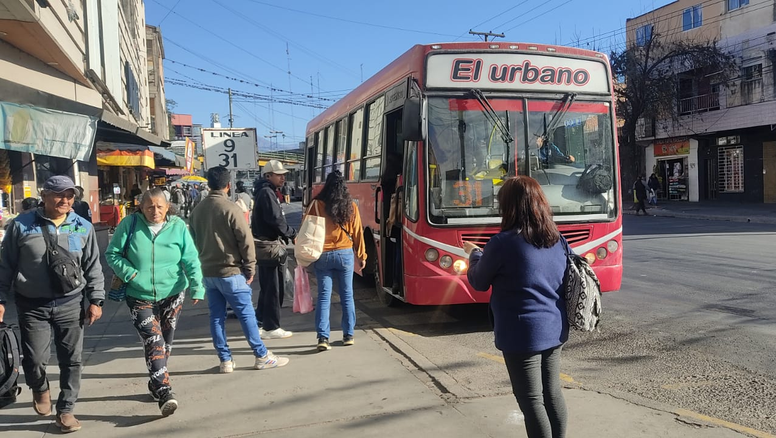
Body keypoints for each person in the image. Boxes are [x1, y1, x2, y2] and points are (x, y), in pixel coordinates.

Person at [464, 175, 568, 438]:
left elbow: (478, 281)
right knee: (552, 392)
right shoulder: (556, 239)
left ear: (509, 207)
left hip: (522, 333)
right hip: (555, 327)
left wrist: (474, 254)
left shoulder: (502, 243)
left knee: (531, 399)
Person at [0, 175, 105, 433]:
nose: (65, 200)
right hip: (32, 306)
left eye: (70, 195)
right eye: (59, 194)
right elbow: (5, 266)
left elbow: (93, 266)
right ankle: (40, 387)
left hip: (71, 304)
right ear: (44, 195)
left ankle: (66, 410)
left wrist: (96, 299)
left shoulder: (82, 226)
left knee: (72, 360)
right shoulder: (21, 226)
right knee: (34, 359)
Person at [105, 188, 204, 417]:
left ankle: (155, 380)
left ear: (168, 207)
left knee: (165, 342)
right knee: (153, 339)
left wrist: (197, 286)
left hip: (173, 293)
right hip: (139, 295)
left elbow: (190, 258)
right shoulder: (129, 224)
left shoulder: (178, 226)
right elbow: (112, 254)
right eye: (149, 206)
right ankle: (163, 391)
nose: (155, 211)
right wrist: (129, 273)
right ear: (141, 207)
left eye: (160, 206)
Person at [190, 167, 289, 372]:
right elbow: (246, 242)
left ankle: (225, 360)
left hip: (208, 272)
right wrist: (250, 269)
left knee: (216, 317)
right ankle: (261, 355)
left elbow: (193, 242)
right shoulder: (231, 209)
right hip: (232, 272)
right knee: (246, 316)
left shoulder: (197, 211)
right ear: (228, 185)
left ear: (208, 184)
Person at [305, 170, 366, 351]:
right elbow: (358, 232)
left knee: (324, 297)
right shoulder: (351, 206)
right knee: (347, 295)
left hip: (323, 254)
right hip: (345, 254)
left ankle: (323, 338)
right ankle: (348, 335)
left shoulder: (316, 205)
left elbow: (306, 228)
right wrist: (362, 256)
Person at [252, 160, 297, 339]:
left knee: (268, 287)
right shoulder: (267, 193)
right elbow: (276, 220)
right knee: (274, 287)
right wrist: (292, 234)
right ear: (268, 175)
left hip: (264, 245)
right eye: (279, 174)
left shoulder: (264, 192)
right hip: (270, 246)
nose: (283, 177)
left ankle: (261, 322)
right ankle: (272, 326)